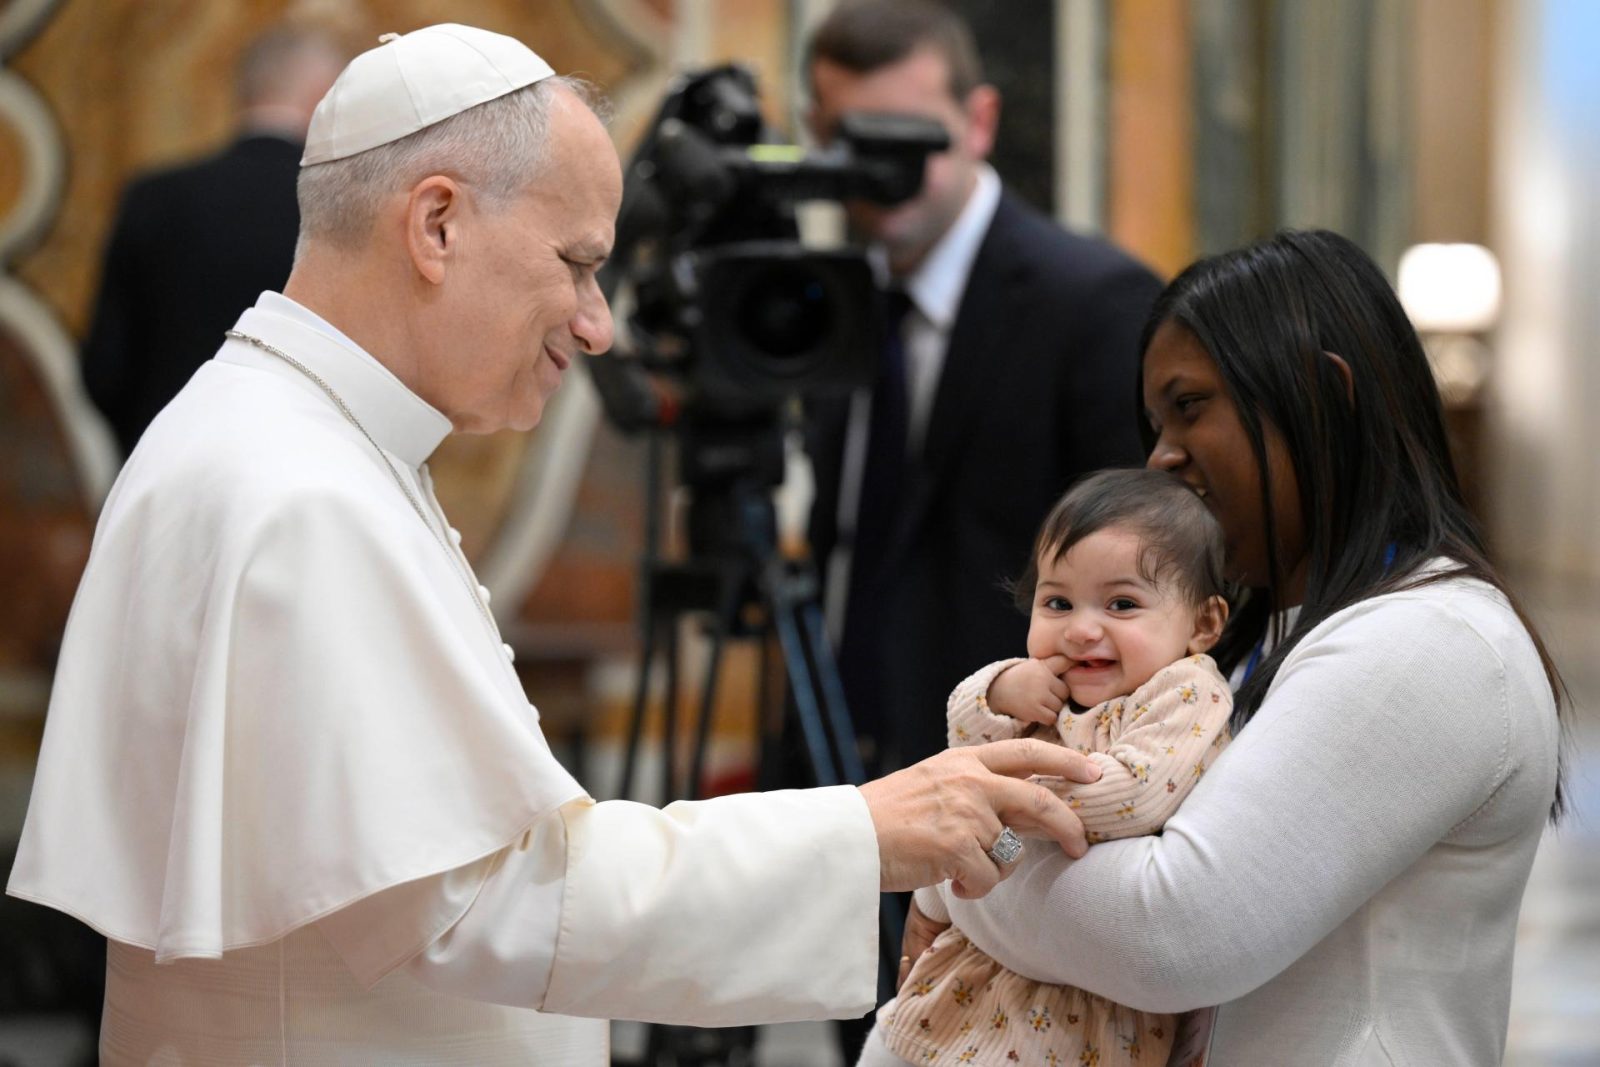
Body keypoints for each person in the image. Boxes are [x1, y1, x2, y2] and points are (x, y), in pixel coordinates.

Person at [6, 24, 1106, 1065]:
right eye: (577, 262)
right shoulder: (298, 494)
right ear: (437, 224)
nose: (599, 323)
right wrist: (864, 831)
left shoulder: (283, 440)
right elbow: (489, 902)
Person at [914, 229, 1565, 1064]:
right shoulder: (1264, 635)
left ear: (1326, 397)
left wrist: (954, 878)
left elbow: (1168, 931)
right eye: (1156, 423)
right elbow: (1082, 846)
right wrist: (974, 853)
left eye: (1190, 406)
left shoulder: (1427, 640)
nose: (1162, 455)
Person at [803, 0, 1165, 779]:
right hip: (836, 763)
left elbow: (1147, 575)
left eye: (909, 139)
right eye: (857, 141)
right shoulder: (822, 307)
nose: (885, 170)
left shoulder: (1093, 304)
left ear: (979, 122)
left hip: (1015, 775)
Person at [858, 469, 1232, 1067]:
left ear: (1204, 624)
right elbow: (965, 756)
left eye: (1122, 604)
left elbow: (1133, 796)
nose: (1081, 630)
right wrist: (999, 689)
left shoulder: (1186, 692)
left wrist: (1003, 801)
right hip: (978, 972)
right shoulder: (1050, 693)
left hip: (1083, 1006)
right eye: (1058, 603)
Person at [82, 22, 347, 459]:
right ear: (322, 98)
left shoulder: (154, 198)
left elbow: (103, 369)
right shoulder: (338, 209)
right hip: (295, 465)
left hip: (161, 463)